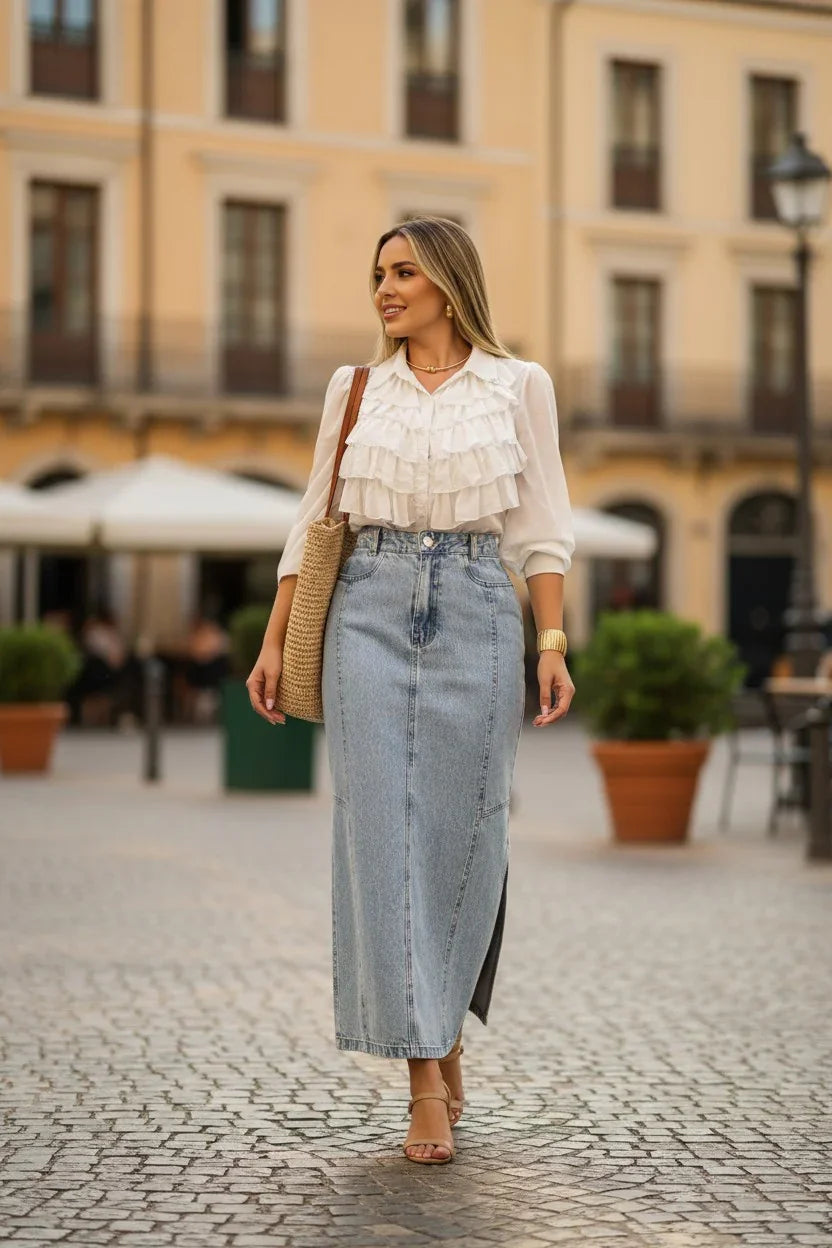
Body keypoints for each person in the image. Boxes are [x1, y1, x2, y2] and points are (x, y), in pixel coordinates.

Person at [246, 216, 576, 1165]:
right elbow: (314, 523)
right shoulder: (354, 391)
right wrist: (274, 643)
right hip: (366, 610)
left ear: (448, 280)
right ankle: (423, 1075)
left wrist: (550, 642)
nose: (385, 288)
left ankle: (444, 1024)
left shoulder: (519, 386)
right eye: (378, 273)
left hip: (477, 605)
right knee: (381, 840)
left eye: (403, 271)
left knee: (464, 834)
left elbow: (542, 527)